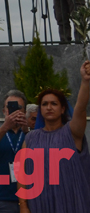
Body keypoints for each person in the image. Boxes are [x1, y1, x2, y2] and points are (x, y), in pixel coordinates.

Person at [18, 61, 90, 213]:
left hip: (71, 203)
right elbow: (22, 173)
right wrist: (23, 205)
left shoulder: (72, 132)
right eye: (44, 104)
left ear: (63, 109)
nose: (49, 107)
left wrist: (85, 81)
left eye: (54, 104)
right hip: (40, 203)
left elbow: (81, 108)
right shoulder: (30, 138)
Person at [0, 88, 29, 213]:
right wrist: (5, 127)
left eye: (19, 107)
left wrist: (26, 130)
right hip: (1, 199)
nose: (14, 111)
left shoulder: (29, 134)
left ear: (24, 112)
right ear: (4, 111)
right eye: (10, 107)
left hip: (28, 197)